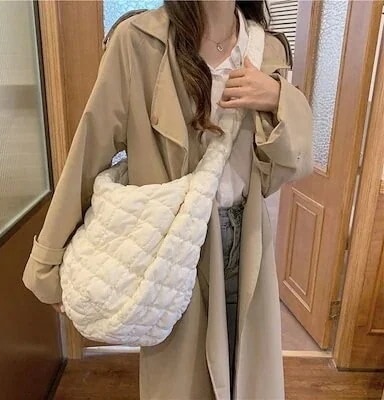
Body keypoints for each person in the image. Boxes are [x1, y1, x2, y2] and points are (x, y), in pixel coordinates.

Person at [22, 1, 313, 399]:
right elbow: (89, 151)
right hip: (171, 242)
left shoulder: (268, 47)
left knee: (246, 374)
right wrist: (49, 262)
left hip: (247, 236)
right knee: (181, 383)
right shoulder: (139, 41)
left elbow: (279, 171)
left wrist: (278, 99)